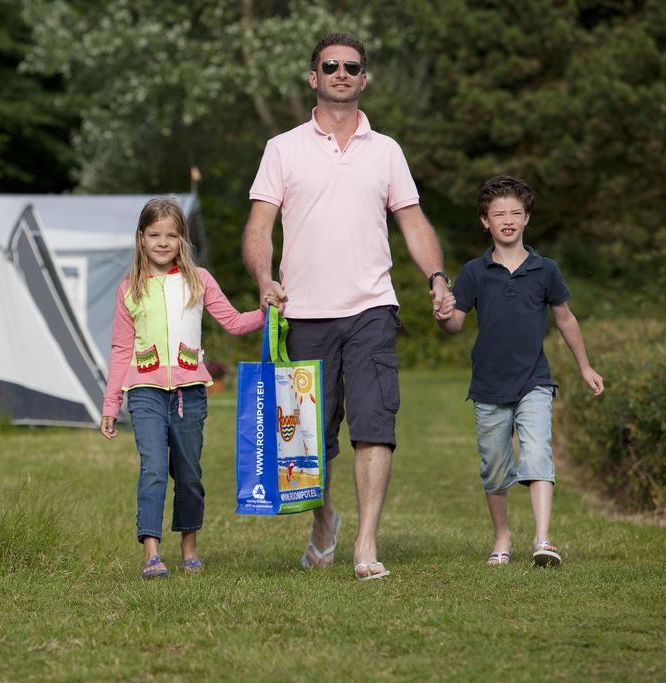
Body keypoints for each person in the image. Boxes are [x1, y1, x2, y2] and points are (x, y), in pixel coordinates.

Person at [242, 32, 453, 580]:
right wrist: (265, 278)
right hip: (303, 313)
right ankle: (324, 520)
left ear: (364, 79)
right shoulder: (282, 148)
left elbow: (412, 222)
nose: (341, 73)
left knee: (374, 424)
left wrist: (435, 276)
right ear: (314, 77)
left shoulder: (386, 151)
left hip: (371, 309)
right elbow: (259, 227)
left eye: (351, 66)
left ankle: (365, 544)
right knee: (307, 444)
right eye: (330, 65)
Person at [436, 175, 604, 568]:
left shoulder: (546, 270)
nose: (507, 219)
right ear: (485, 222)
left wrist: (584, 365)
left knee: (537, 453)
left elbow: (565, 319)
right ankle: (502, 536)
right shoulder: (474, 272)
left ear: (527, 218)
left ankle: (543, 540)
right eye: (499, 214)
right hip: (489, 384)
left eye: (515, 212)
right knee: (495, 468)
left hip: (535, 381)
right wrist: (443, 315)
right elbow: (455, 324)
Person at [101, 198, 267, 579]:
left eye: (171, 236)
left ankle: (189, 546)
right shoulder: (129, 288)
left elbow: (235, 322)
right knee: (154, 467)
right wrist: (111, 403)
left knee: (189, 473)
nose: (163, 242)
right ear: (141, 239)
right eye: (155, 235)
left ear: (182, 240)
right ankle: (151, 552)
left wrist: (269, 311)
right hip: (144, 392)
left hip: (190, 393)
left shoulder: (199, 280)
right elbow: (121, 349)